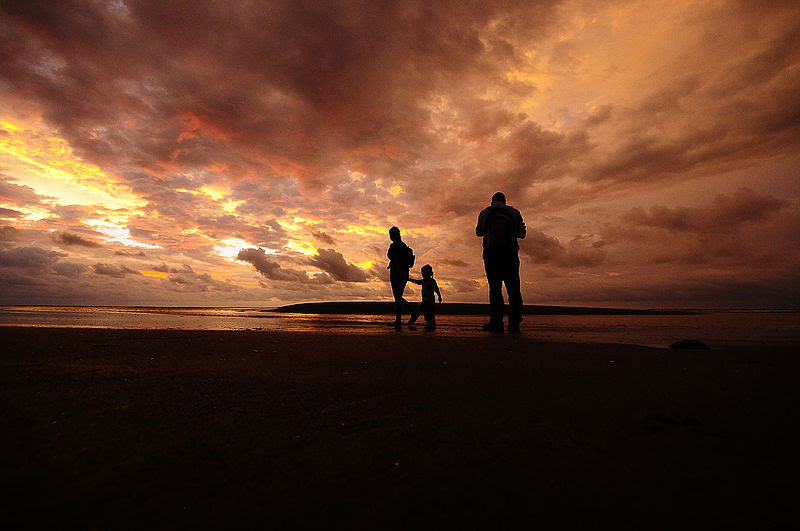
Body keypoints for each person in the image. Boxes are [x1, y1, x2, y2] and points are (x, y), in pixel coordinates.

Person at [476, 192, 526, 333]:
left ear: (492, 201)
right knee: (514, 290)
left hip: (491, 257)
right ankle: (514, 324)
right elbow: (522, 233)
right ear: (505, 201)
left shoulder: (485, 213)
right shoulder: (514, 213)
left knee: (495, 290)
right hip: (510, 256)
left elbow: (479, 232)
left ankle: (496, 323)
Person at [386, 226, 419, 328]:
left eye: (391, 234)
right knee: (398, 297)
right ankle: (399, 320)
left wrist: (400, 271)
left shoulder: (395, 246)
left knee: (398, 297)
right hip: (403, 272)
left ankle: (412, 312)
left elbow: (395, 259)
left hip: (397, 273)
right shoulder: (404, 246)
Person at [408, 264, 443, 331]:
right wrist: (409, 279)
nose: (423, 274)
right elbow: (417, 282)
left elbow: (436, 289)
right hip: (425, 300)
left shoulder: (432, 281)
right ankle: (427, 322)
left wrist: (439, 296)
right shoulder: (424, 281)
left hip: (430, 300)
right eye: (422, 273)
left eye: (424, 273)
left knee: (429, 312)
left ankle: (430, 322)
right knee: (424, 311)